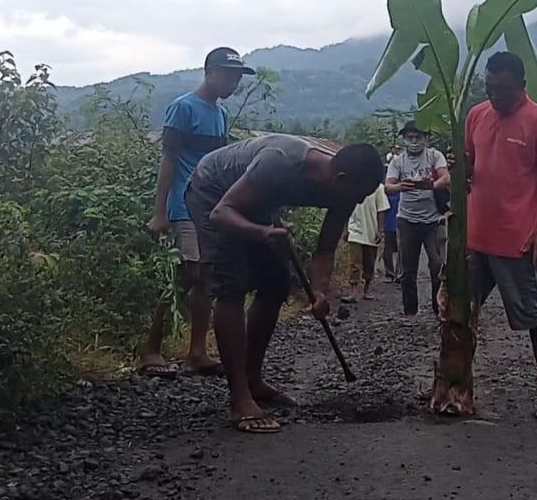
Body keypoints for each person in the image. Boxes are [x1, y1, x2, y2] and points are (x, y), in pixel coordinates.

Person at [185, 134, 384, 433]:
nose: (359, 201)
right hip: (213, 192)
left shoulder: (347, 188)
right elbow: (220, 213)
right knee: (231, 285)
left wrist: (317, 292)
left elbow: (326, 248)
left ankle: (253, 378)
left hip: (257, 203)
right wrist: (261, 232)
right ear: (340, 178)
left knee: (276, 284)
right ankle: (239, 399)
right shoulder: (281, 162)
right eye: (359, 195)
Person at [138, 47, 253, 378]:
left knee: (202, 278)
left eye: (237, 78)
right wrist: (159, 211)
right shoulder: (183, 108)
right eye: (229, 75)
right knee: (191, 274)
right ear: (210, 72)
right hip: (184, 203)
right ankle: (151, 349)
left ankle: (197, 352)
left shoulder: (219, 114)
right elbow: (169, 159)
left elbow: (221, 165)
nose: (234, 83)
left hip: (209, 206)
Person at [465, 52, 537, 421]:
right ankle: (456, 383)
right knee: (459, 313)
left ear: (522, 87)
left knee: (533, 316)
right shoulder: (476, 115)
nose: (495, 97)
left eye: (503, 90)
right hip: (474, 238)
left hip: (515, 241)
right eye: (490, 88)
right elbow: (470, 165)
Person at [386, 121, 451, 316]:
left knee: (437, 266)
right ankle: (410, 312)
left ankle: (437, 309)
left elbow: (446, 177)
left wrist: (431, 186)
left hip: (432, 221)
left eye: (418, 137)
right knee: (407, 270)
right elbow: (388, 186)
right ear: (404, 139)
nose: (414, 142)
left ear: (425, 139)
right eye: (410, 138)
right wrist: (401, 187)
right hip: (407, 220)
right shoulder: (398, 161)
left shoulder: (434, 156)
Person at [342, 182, 389, 303]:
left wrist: (380, 230)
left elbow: (381, 210)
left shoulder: (379, 188)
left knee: (369, 262)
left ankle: (367, 289)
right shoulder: (352, 184)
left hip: (371, 231)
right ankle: (353, 290)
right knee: (355, 262)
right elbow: (346, 208)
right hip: (355, 229)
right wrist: (346, 229)